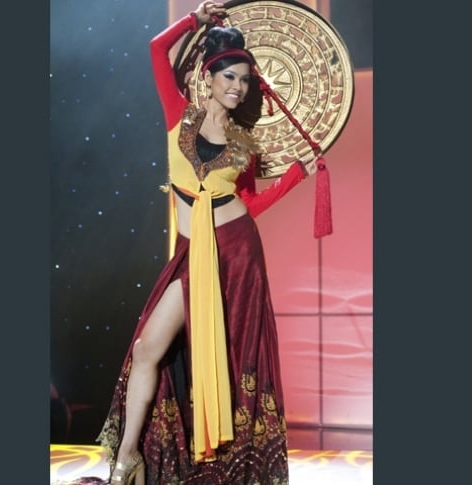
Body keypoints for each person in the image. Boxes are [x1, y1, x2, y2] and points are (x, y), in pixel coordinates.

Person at [96, 2, 322, 484]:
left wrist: (294, 179)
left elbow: (249, 206)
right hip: (189, 252)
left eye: (245, 81)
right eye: (231, 77)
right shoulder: (181, 115)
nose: (238, 87)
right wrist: (195, 20)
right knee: (147, 347)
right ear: (210, 74)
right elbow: (157, 51)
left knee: (229, 358)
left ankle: (223, 463)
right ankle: (128, 456)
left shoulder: (244, 144)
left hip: (235, 254)